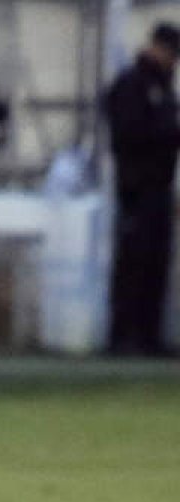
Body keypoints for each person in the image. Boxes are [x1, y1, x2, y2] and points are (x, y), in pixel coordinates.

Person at [105, 22, 180, 357]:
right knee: (133, 262)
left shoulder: (163, 88)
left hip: (159, 188)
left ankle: (147, 335)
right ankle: (124, 335)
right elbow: (128, 134)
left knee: (155, 263)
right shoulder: (132, 85)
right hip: (135, 189)